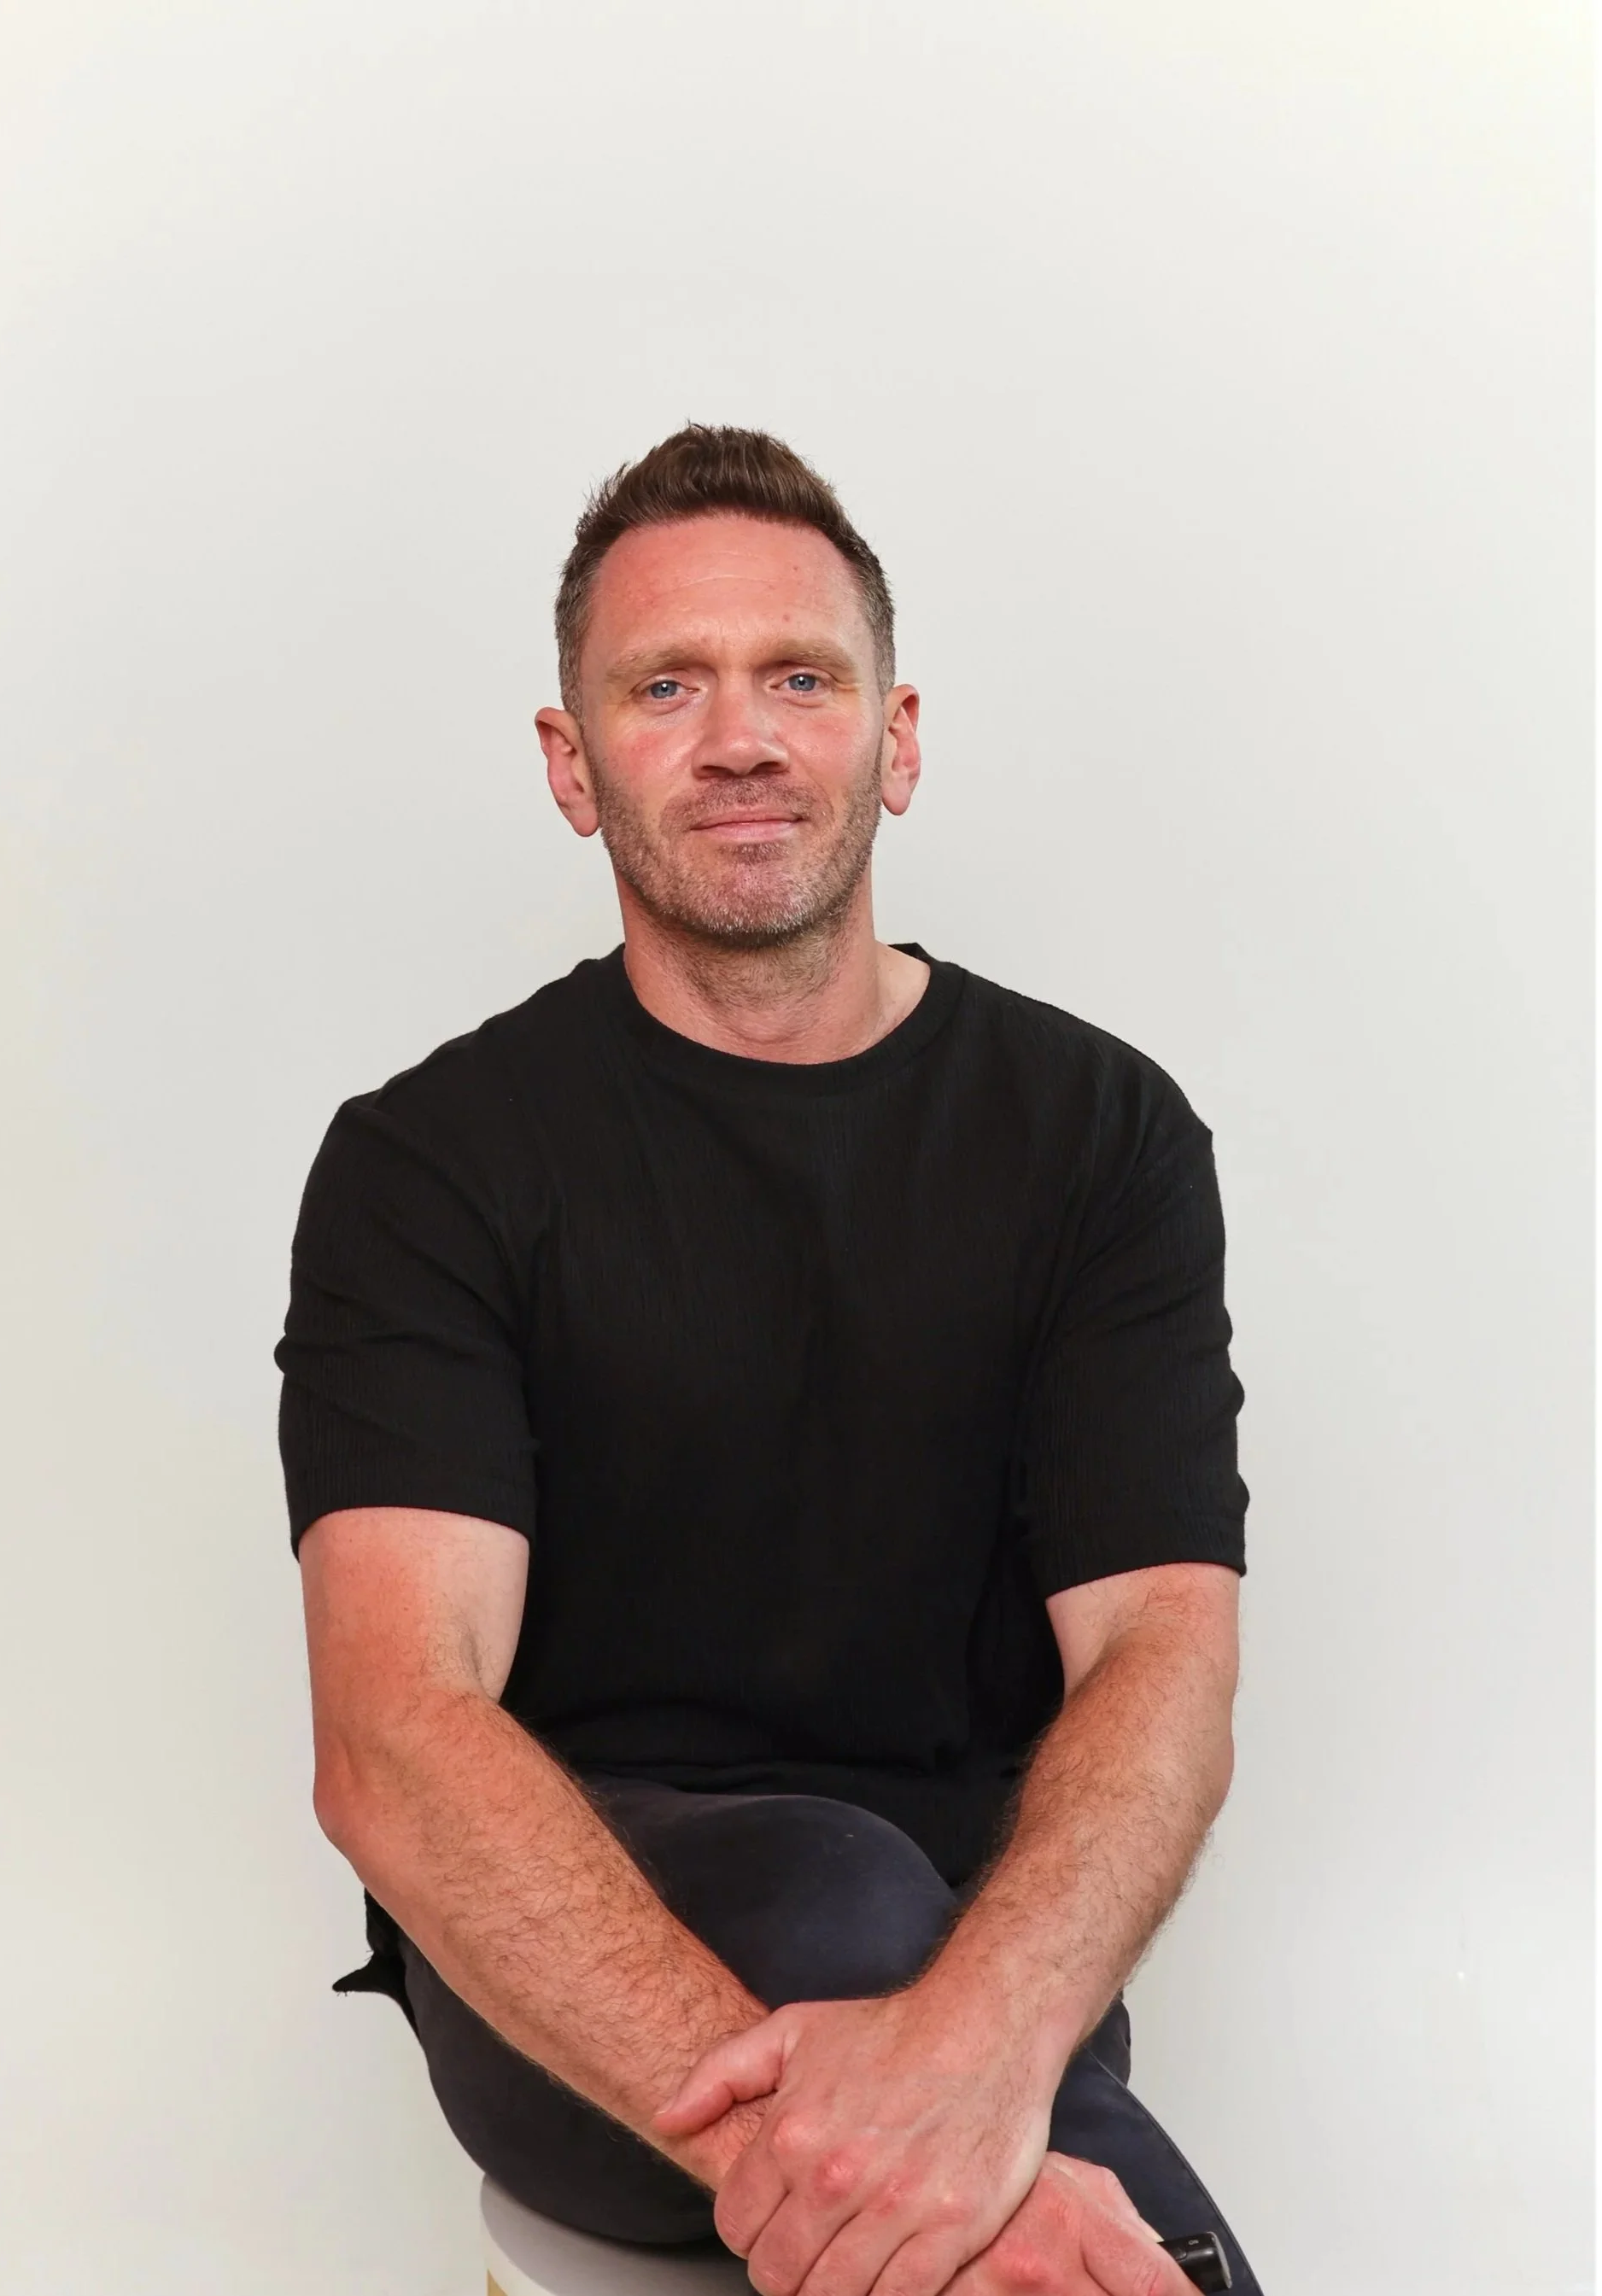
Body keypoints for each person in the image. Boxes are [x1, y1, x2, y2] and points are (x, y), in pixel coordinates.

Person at [276, 425, 1260, 2296]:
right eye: (666, 687)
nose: (740, 737)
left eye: (799, 677)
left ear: (896, 737)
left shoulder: (1097, 1135)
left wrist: (972, 2051)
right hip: (580, 2004)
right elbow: (396, 1741)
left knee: (889, 1897)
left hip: (990, 1970)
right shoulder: (432, 1165)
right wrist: (917, 2162)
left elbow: (1162, 1658)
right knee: (834, 1881)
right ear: (573, 766)